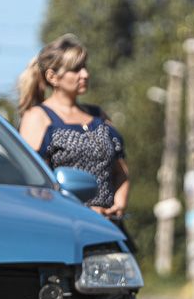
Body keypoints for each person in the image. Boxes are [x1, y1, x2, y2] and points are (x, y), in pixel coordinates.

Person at [17, 34, 130, 224]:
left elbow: (121, 172)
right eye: (76, 69)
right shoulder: (38, 117)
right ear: (53, 76)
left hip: (108, 228)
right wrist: (84, 210)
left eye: (85, 67)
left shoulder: (99, 116)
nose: (85, 74)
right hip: (63, 225)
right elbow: (32, 183)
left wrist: (118, 205)